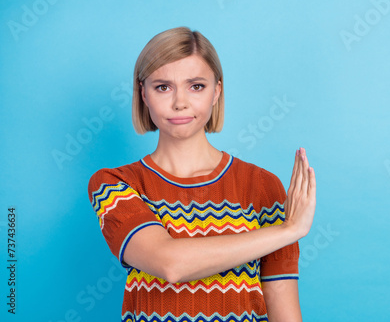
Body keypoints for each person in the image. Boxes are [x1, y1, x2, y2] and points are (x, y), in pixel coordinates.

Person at [87, 26, 316, 322]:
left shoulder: (262, 187)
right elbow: (171, 263)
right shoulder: (114, 183)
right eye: (163, 87)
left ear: (216, 91)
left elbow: (282, 309)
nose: (180, 102)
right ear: (143, 93)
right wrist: (289, 230)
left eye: (196, 86)